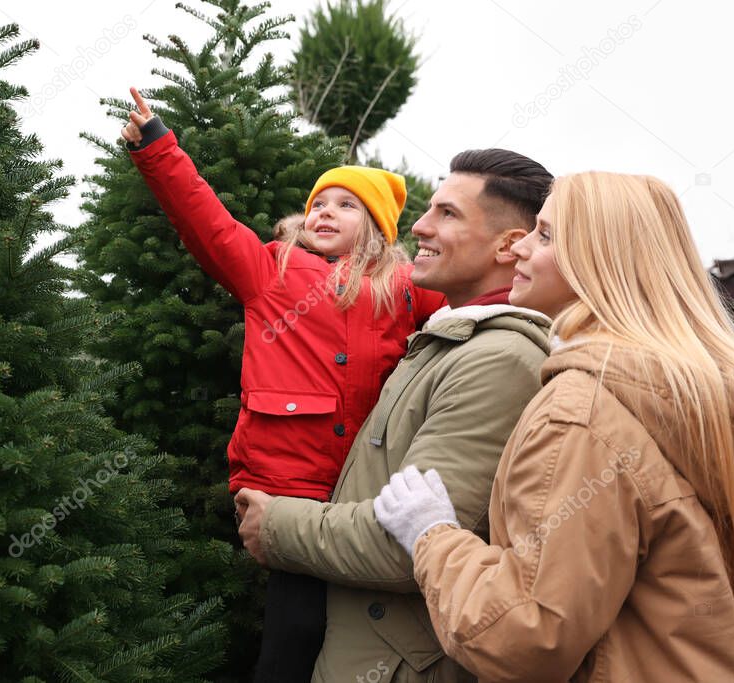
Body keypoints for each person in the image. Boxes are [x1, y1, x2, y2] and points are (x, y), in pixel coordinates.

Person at [374, 171, 734, 681]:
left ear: (600, 263)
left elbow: (527, 636)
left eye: (544, 235)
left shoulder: (581, 412)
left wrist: (431, 534)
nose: (518, 247)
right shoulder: (684, 399)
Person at [119, 87, 446, 681]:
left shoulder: (403, 288)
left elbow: (474, 295)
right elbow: (208, 224)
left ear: (376, 227)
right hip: (288, 490)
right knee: (293, 632)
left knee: (364, 630)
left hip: (369, 490)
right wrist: (160, 148)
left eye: (346, 205)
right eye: (319, 203)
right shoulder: (272, 269)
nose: (324, 213)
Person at [235, 149, 555, 682]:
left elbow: (410, 543)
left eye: (447, 214)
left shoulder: (496, 359)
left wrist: (277, 525)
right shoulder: (444, 340)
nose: (420, 226)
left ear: (509, 245)